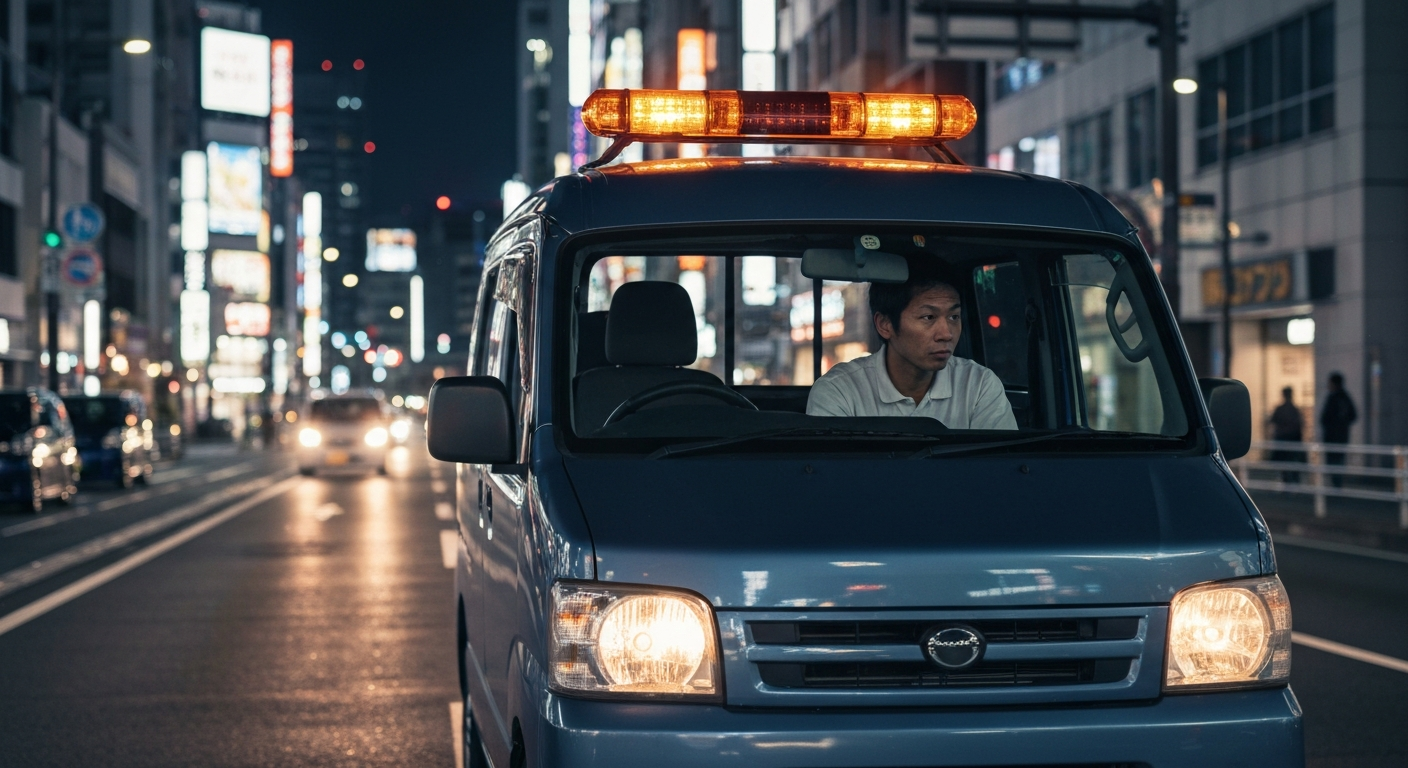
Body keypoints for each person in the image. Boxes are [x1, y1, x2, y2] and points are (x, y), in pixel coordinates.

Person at [806, 259, 1017, 429]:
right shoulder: (839, 390)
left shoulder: (978, 384)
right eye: (928, 317)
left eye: (954, 317)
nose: (946, 334)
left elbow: (1000, 472)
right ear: (885, 324)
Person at [1319, 372, 1357, 488]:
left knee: (1333, 461)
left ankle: (1335, 485)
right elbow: (1353, 415)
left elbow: (1324, 417)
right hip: (1341, 435)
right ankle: (1337, 484)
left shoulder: (1333, 398)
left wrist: (1333, 424)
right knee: (1338, 461)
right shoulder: (1345, 397)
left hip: (1332, 436)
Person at [1268, 386, 1304, 483]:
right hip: (1293, 440)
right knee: (1293, 463)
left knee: (1283, 464)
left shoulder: (1280, 409)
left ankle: (1286, 482)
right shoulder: (1295, 410)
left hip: (1282, 440)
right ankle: (1295, 482)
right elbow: (1300, 425)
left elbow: (1272, 421)